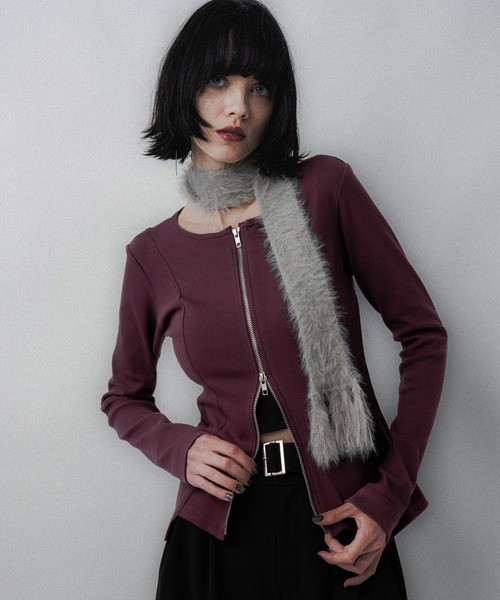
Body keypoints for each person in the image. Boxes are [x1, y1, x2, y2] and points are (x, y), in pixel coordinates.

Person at [101, 1, 447, 598]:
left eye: (259, 87)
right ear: (184, 86)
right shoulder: (152, 253)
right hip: (218, 532)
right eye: (218, 81)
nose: (238, 106)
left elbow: (423, 336)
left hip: (339, 524)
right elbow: (123, 398)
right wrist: (181, 448)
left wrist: (388, 496)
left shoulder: (326, 188)